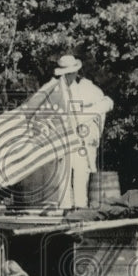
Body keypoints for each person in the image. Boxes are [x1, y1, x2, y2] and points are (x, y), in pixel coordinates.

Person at [51, 54, 114, 208]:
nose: (68, 76)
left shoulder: (86, 88)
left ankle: (80, 208)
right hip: (64, 139)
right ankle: (65, 209)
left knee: (80, 174)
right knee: (62, 177)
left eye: (70, 73)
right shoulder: (56, 91)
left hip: (81, 141)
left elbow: (108, 103)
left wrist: (86, 116)